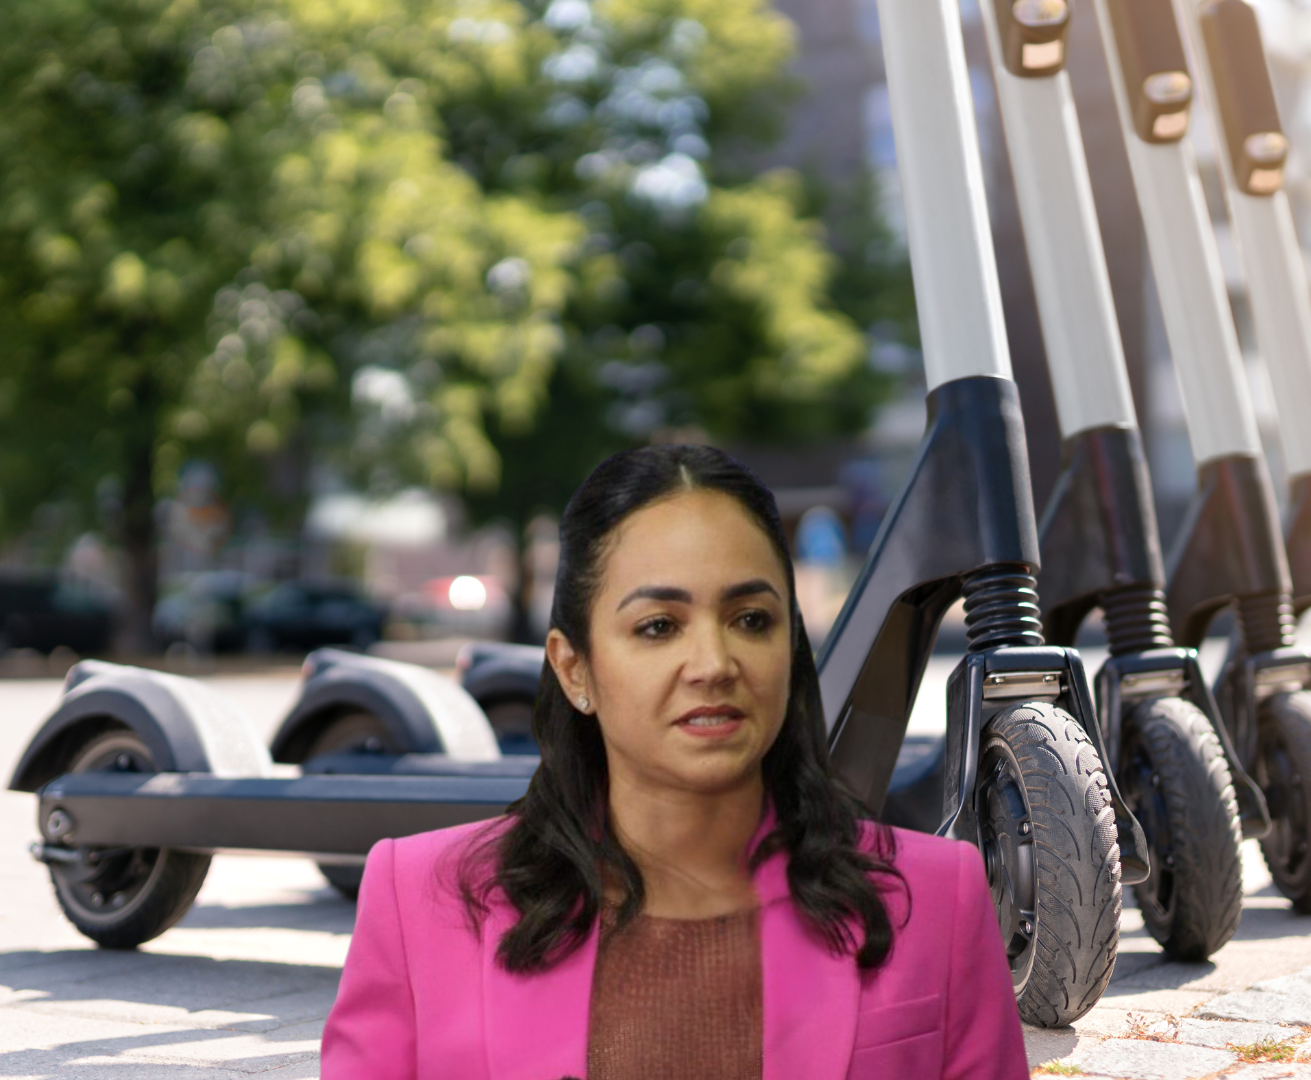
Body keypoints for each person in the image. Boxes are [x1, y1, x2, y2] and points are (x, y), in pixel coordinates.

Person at [321, 444, 1030, 1080]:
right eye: (658, 626)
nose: (714, 664)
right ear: (575, 670)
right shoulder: (420, 903)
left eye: (751, 619)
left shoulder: (937, 899)